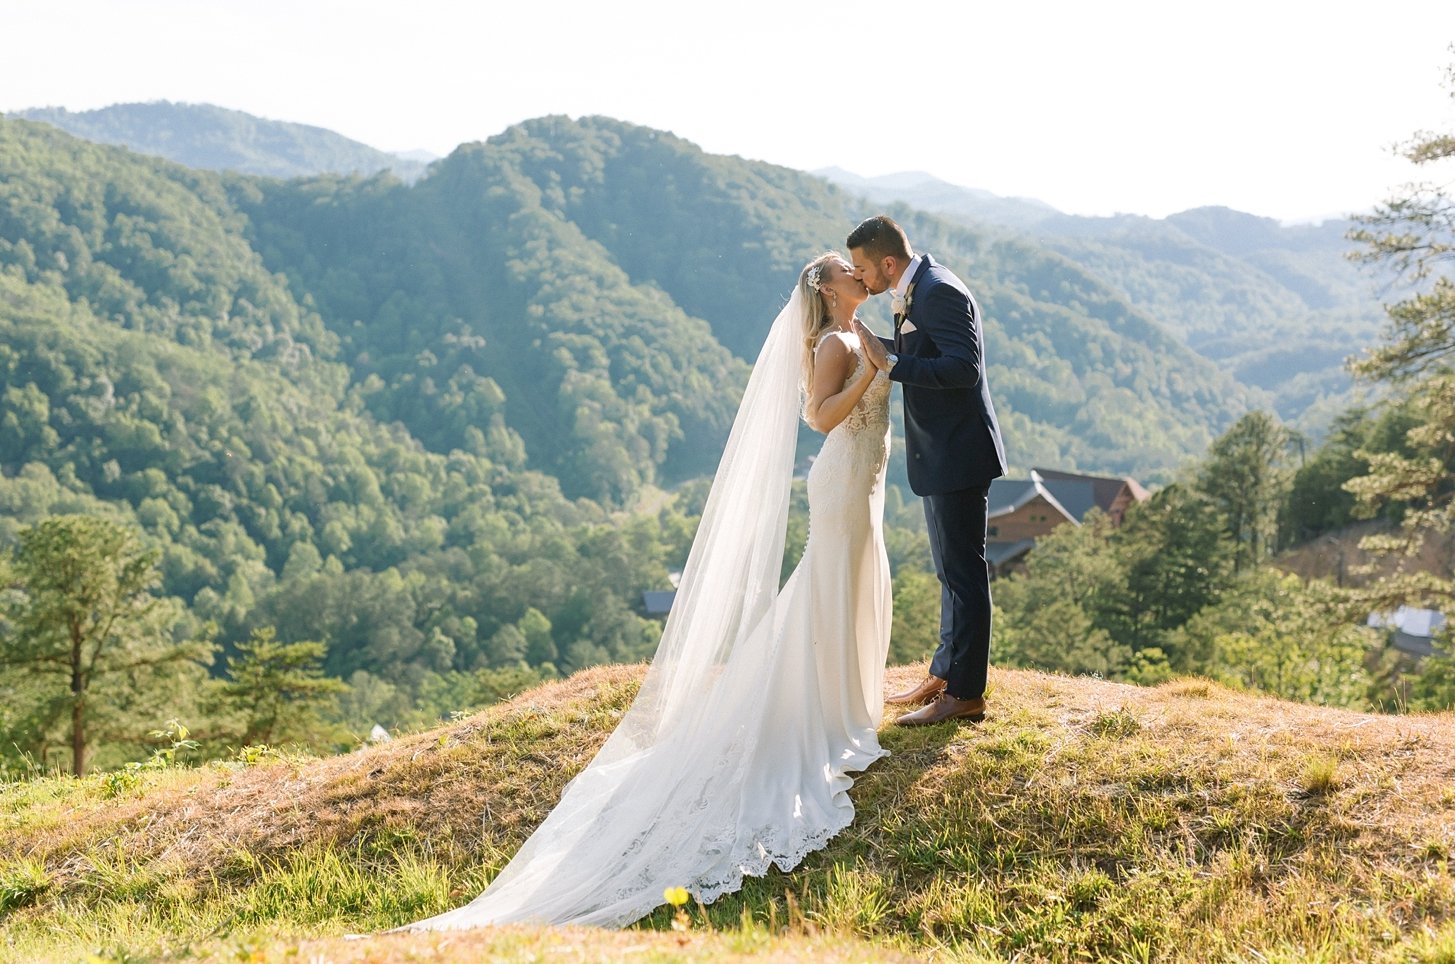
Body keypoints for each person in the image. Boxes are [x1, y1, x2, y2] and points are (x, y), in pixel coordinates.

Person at [399, 253, 894, 930]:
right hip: (842, 478)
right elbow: (817, 416)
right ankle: (816, 708)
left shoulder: (860, 332)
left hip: (868, 480)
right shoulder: (835, 343)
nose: (856, 273)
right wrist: (868, 371)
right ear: (827, 288)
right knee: (827, 582)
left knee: (851, 579)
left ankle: (841, 695)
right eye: (846, 268)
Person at [848, 215, 1007, 727]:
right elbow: (926, 354)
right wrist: (889, 350)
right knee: (949, 571)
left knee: (965, 574)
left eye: (862, 269)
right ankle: (945, 670)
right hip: (941, 453)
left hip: (960, 452)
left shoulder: (939, 292)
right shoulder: (916, 289)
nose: (860, 279)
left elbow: (963, 369)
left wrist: (891, 363)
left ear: (888, 263)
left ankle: (965, 694)